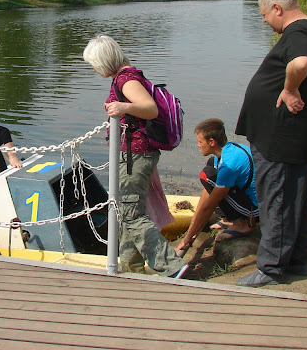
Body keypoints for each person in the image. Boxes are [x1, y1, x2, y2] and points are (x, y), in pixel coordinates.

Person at [235, 0, 307, 287]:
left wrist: (289, 89)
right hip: (296, 132)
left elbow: (301, 63)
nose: (264, 20)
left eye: (264, 14)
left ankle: (271, 269)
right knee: (298, 193)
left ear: (278, 8)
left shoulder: (298, 33)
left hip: (280, 135)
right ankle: (297, 259)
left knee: (275, 196)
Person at [83, 34, 187, 279]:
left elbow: (150, 109)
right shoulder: (126, 76)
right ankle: (132, 269)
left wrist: (124, 107)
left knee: (131, 214)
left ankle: (172, 266)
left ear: (104, 61)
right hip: (135, 154)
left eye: (94, 64)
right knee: (125, 211)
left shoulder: (126, 79)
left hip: (135, 155)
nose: (94, 69)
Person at [175, 118, 258, 258]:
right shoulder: (230, 149)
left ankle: (242, 224)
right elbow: (207, 192)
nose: (198, 145)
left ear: (211, 142)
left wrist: (188, 238)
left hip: (255, 210)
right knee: (210, 170)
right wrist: (194, 224)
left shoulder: (228, 166)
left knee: (207, 175)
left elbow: (210, 204)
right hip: (249, 197)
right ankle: (228, 219)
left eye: (200, 142)